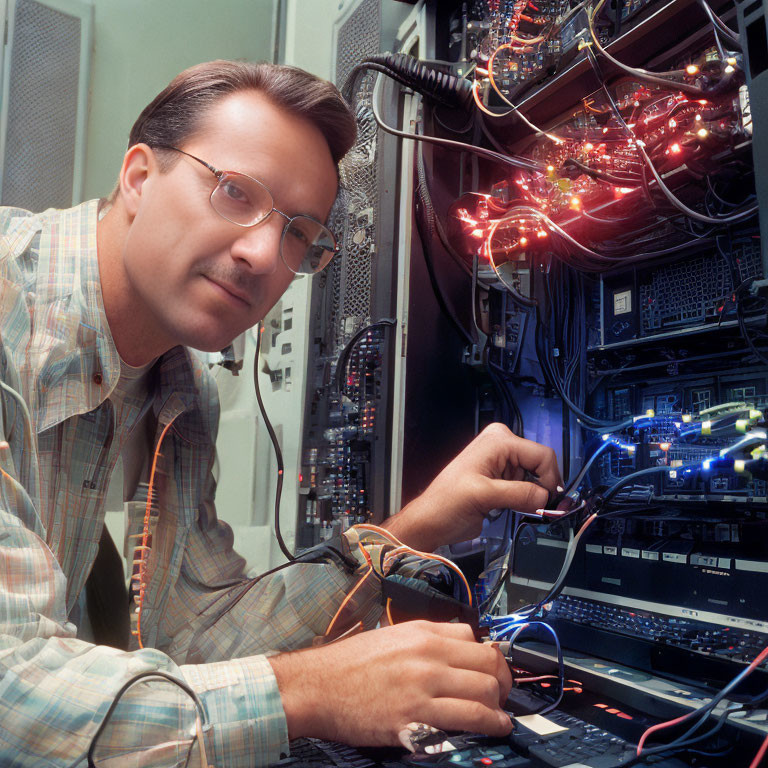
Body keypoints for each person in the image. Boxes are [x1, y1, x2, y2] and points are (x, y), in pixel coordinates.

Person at [0, 60, 561, 766]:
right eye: (235, 192)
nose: (265, 253)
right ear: (140, 179)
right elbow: (9, 697)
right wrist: (307, 695)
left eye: (301, 233)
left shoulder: (179, 388)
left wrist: (417, 525)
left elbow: (197, 634)